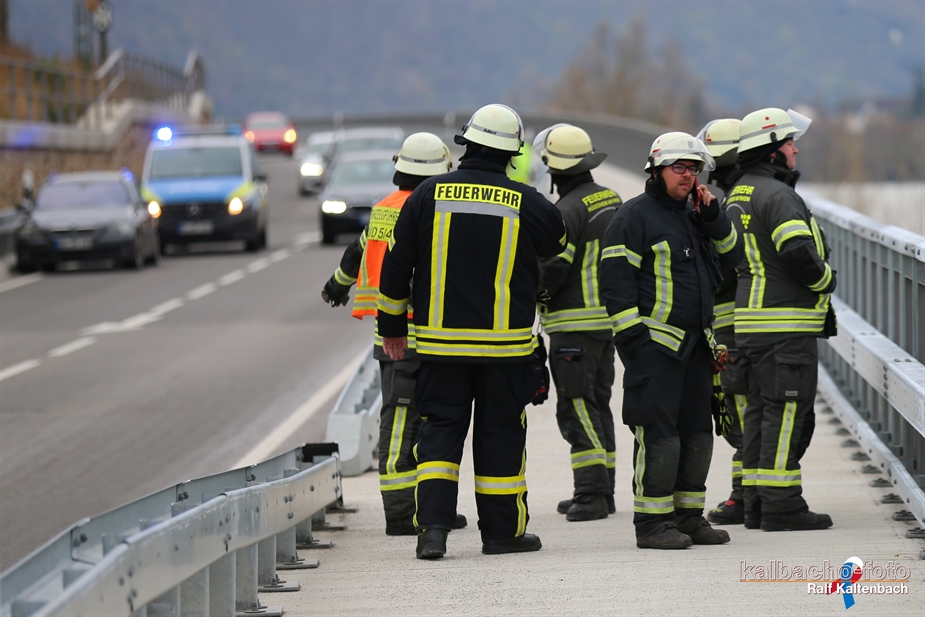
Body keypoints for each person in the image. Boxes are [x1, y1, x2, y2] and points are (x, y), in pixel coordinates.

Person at [376, 103, 567, 559]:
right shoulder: (523, 200)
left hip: (441, 347)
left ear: (466, 145)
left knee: (439, 433)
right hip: (506, 350)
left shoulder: (428, 194)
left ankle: (432, 532)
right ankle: (502, 534)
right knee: (501, 435)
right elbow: (558, 239)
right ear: (512, 154)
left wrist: (392, 328)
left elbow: (396, 266)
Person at [600, 132, 743, 549]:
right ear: (656, 170)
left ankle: (689, 518)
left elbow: (733, 258)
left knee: (697, 435)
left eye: (693, 168)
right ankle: (652, 524)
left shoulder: (696, 215)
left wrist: (714, 217)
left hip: (696, 347)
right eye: (678, 167)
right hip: (655, 350)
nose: (687, 175)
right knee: (658, 436)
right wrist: (636, 341)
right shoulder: (633, 217)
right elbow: (615, 283)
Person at [320, 132, 467, 536]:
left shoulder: (383, 209)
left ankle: (425, 508)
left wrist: (336, 286)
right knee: (409, 426)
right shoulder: (431, 210)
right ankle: (402, 512)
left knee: (410, 423)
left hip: (392, 339)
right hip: (419, 337)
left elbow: (356, 252)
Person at [725, 107, 835, 532]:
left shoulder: (738, 192)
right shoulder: (778, 195)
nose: (795, 149)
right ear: (771, 151)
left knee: (760, 413)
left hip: (751, 324)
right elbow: (796, 251)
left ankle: (755, 502)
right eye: (789, 142)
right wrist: (825, 280)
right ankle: (782, 505)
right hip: (784, 326)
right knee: (787, 412)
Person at [532, 123, 620, 521]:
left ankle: (592, 493)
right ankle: (605, 489)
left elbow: (553, 268)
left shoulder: (565, 211)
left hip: (573, 325)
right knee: (598, 404)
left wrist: (534, 296)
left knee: (577, 407)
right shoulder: (610, 197)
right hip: (607, 322)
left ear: (555, 167)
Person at [696, 118, 749, 526]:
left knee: (740, 410)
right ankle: (749, 493)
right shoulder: (747, 196)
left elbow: (725, 267)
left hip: (732, 325)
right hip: (749, 322)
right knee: (744, 409)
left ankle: (743, 496)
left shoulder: (728, 204)